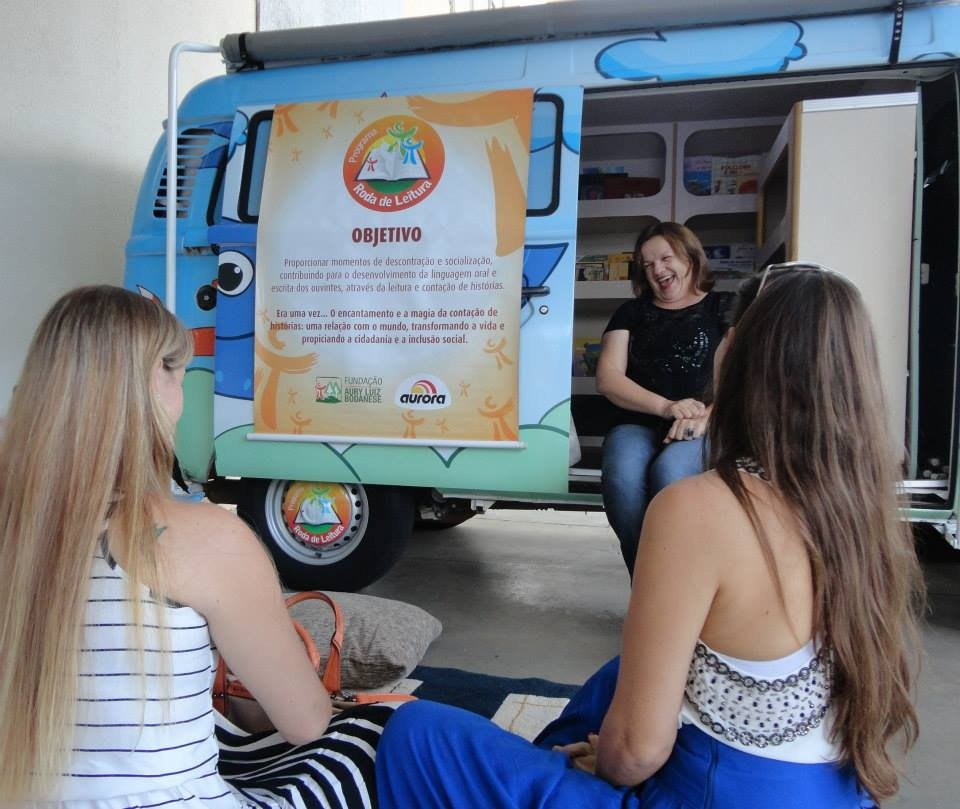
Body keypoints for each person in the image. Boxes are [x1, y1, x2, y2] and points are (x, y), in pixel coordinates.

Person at [375, 265, 923, 808]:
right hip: (839, 795)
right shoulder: (865, 508)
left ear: (733, 352)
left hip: (708, 794)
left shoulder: (700, 507)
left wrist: (605, 765)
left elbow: (637, 752)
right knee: (618, 677)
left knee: (409, 732)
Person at [0, 286, 394, 806]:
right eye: (179, 374)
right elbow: (305, 723)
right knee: (379, 738)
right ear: (156, 380)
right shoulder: (209, 539)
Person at [596, 221, 732, 575]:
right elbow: (608, 379)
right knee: (622, 479)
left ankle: (684, 587)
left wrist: (707, 415)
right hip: (637, 422)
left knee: (671, 474)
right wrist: (666, 407)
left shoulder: (724, 307)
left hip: (702, 424)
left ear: (689, 258)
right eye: (647, 264)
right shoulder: (630, 312)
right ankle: (649, 585)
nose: (657, 269)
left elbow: (745, 375)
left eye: (665, 258)